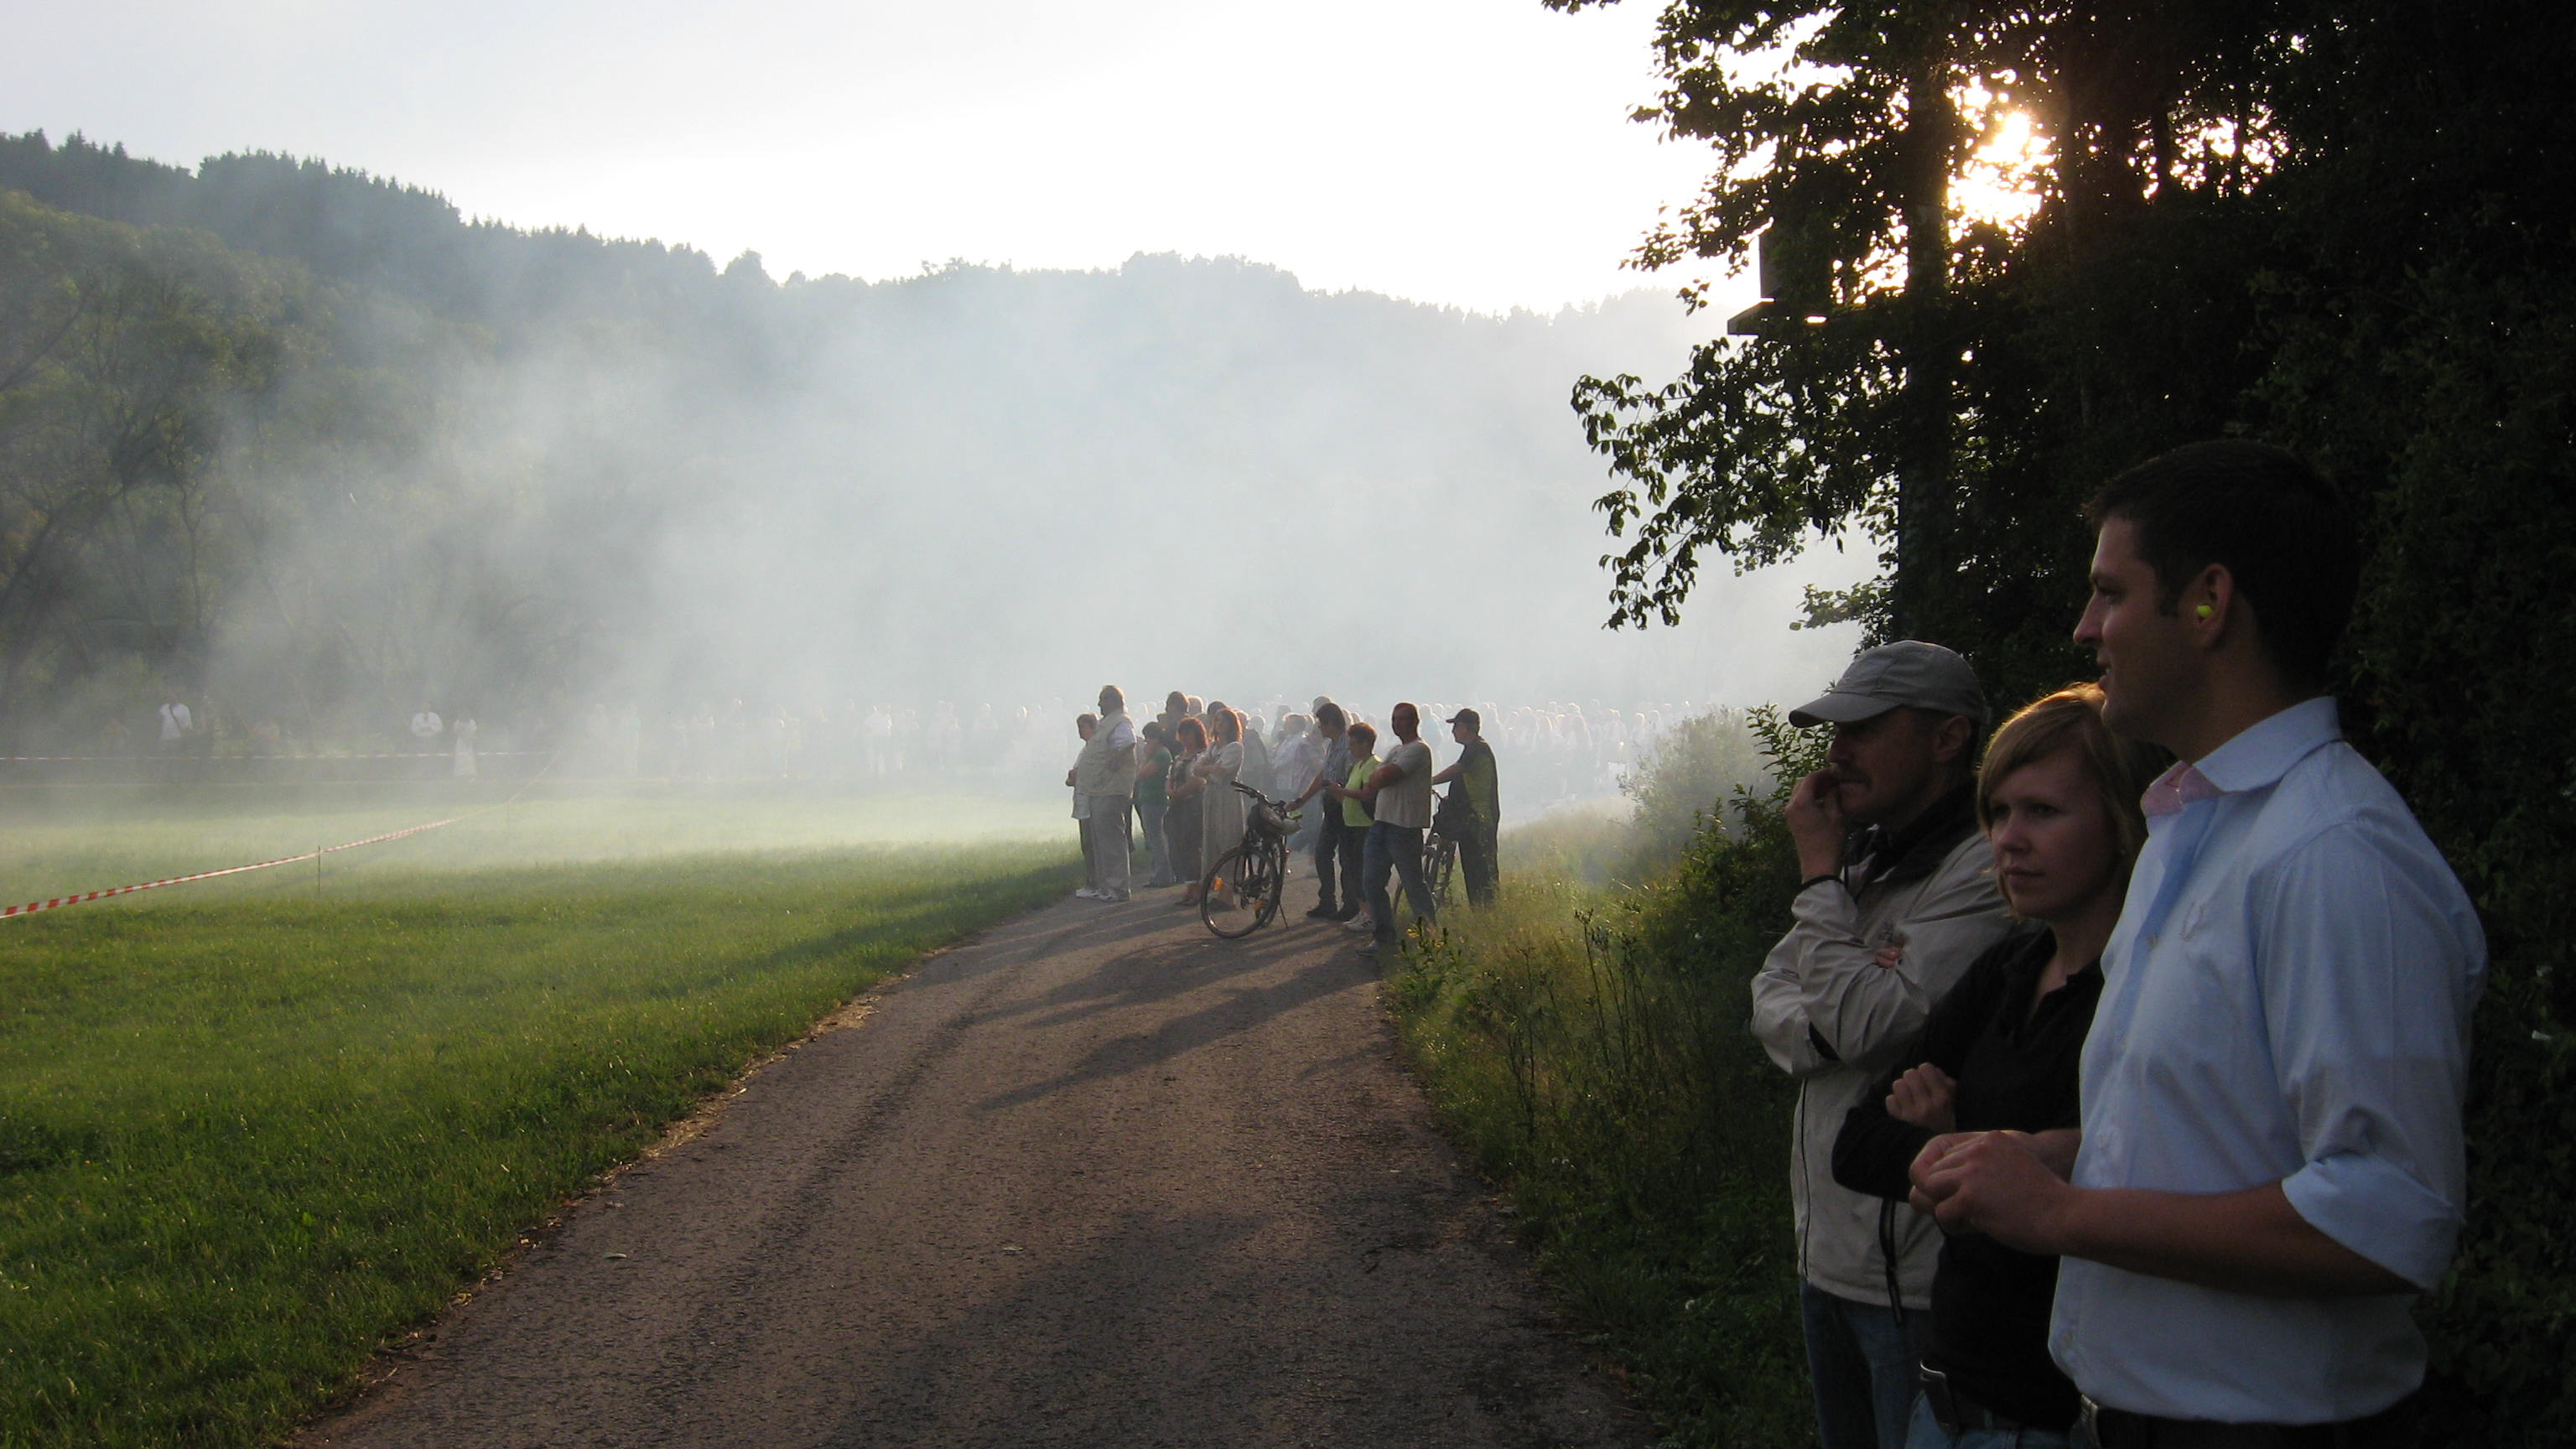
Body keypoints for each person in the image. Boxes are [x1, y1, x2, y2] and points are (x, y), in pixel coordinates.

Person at [1907, 441, 2486, 1447]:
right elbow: (2232, 1138)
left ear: (2210, 603)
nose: (2086, 629)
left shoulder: (2333, 857)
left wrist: (2059, 1215)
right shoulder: (2192, 831)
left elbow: (2385, 1215)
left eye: (2110, 593)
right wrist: (2062, 1156)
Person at [1832, 685, 2158, 1448]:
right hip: (1943, 1402)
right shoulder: (2010, 965)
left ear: (2121, 820)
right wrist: (1992, 1160)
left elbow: (2125, 1180)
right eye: (1999, 812)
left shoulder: (2141, 994)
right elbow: (1858, 1141)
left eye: (2042, 812)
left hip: (2049, 1416)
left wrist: (1955, 1135)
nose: (2008, 840)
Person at [1751, 641, 2017, 1449]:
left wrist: (1819, 885)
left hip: (1914, 1279)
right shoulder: (1865, 864)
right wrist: (1826, 1024)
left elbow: (1863, 1021)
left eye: (1866, 728)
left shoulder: (1983, 871)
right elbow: (1771, 995)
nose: (1839, 751)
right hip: (1825, 1253)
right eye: (1837, 729)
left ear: (1947, 739)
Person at [1348, 702, 1438, 957]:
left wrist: (1379, 776)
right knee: (1372, 882)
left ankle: (1429, 938)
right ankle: (1384, 937)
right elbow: (1374, 779)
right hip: (1382, 823)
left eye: (1403, 719)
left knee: (1413, 885)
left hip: (1405, 826)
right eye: (1395, 719)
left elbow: (1383, 778)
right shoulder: (1396, 749)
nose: (1398, 723)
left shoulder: (1419, 750)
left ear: (1414, 722)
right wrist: (1379, 776)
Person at [1293, 702, 1360, 921]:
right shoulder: (1332, 745)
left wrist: (1342, 794)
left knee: (1348, 858)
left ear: (1331, 723)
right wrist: (1303, 799)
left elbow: (1353, 776)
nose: (1319, 728)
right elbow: (1323, 775)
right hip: (1331, 806)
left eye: (1321, 723)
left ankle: (1351, 904)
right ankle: (1328, 901)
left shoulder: (1349, 744)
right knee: (1322, 853)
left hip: (1344, 805)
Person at [1072, 686, 1138, 902]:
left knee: (1111, 840)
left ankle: (1118, 888)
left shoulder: (1120, 722)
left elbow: (1128, 742)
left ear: (1113, 700)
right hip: (1100, 790)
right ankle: (1106, 886)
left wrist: (1114, 762)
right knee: (1101, 840)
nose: (1099, 704)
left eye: (1102, 700)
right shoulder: (1107, 724)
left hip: (1111, 789)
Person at [1429, 708, 1500, 906]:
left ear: (1466, 727)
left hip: (1480, 818)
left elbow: (1455, 770)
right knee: (1473, 867)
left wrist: (1429, 781)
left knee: (1482, 868)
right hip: (1473, 817)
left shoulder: (1478, 748)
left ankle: (1488, 910)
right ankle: (1480, 909)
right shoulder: (1473, 748)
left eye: (1456, 726)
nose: (1453, 731)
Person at [1187, 708, 1248, 904]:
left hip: (1227, 797)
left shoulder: (1235, 747)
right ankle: (1219, 888)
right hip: (1212, 796)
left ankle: (1228, 893)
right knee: (1212, 841)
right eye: (1217, 721)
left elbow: (1223, 771)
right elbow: (1196, 769)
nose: (1219, 724)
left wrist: (1209, 769)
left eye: (1223, 721)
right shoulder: (1213, 747)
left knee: (1228, 839)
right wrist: (1210, 769)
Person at [1326, 720, 1380, 934]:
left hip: (1364, 824)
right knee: (1352, 869)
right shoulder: (1356, 765)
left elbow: (1367, 794)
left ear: (1366, 744)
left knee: (1363, 870)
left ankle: (1370, 914)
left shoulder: (1372, 765)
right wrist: (1337, 792)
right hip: (1351, 822)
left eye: (1354, 743)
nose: (1350, 748)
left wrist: (1343, 791)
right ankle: (1363, 910)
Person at [1164, 717, 1209, 900]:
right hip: (1177, 804)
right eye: (1182, 733)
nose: (1185, 737)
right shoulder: (1179, 757)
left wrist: (1182, 791)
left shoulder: (1203, 755)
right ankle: (1189, 885)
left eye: (1189, 733)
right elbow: (1169, 777)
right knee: (1179, 845)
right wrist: (1170, 790)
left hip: (1194, 804)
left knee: (1192, 845)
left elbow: (1198, 779)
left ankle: (1198, 886)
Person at [1135, 721, 1175, 886]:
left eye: (1148, 739)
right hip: (1149, 799)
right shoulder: (1159, 754)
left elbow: (1142, 774)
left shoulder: (1161, 755)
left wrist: (1145, 756)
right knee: (1155, 839)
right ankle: (1161, 873)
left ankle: (1164, 876)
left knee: (1157, 839)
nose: (1146, 743)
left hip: (1155, 801)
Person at [1067, 713, 1100, 899]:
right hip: (1082, 800)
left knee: (1091, 842)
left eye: (1083, 727)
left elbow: (1080, 773)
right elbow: (1073, 775)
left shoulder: (1094, 749)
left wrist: (1074, 776)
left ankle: (1095, 882)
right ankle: (1091, 880)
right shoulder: (1085, 749)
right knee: (1086, 842)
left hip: (1090, 799)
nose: (1080, 731)